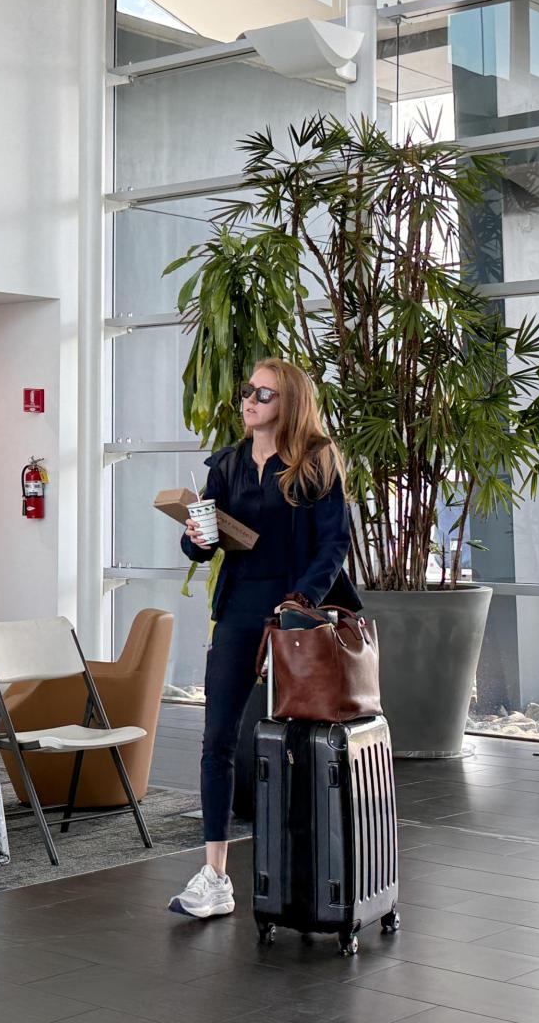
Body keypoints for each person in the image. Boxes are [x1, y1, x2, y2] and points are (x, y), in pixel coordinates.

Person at [168, 357, 360, 919]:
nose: (250, 401)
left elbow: (333, 545)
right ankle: (215, 875)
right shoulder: (225, 463)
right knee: (217, 739)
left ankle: (310, 867)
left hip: (296, 614)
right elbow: (201, 547)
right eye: (249, 391)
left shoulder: (316, 460)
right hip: (239, 607)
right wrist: (197, 536)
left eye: (264, 394)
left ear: (290, 403)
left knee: (300, 743)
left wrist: (300, 600)